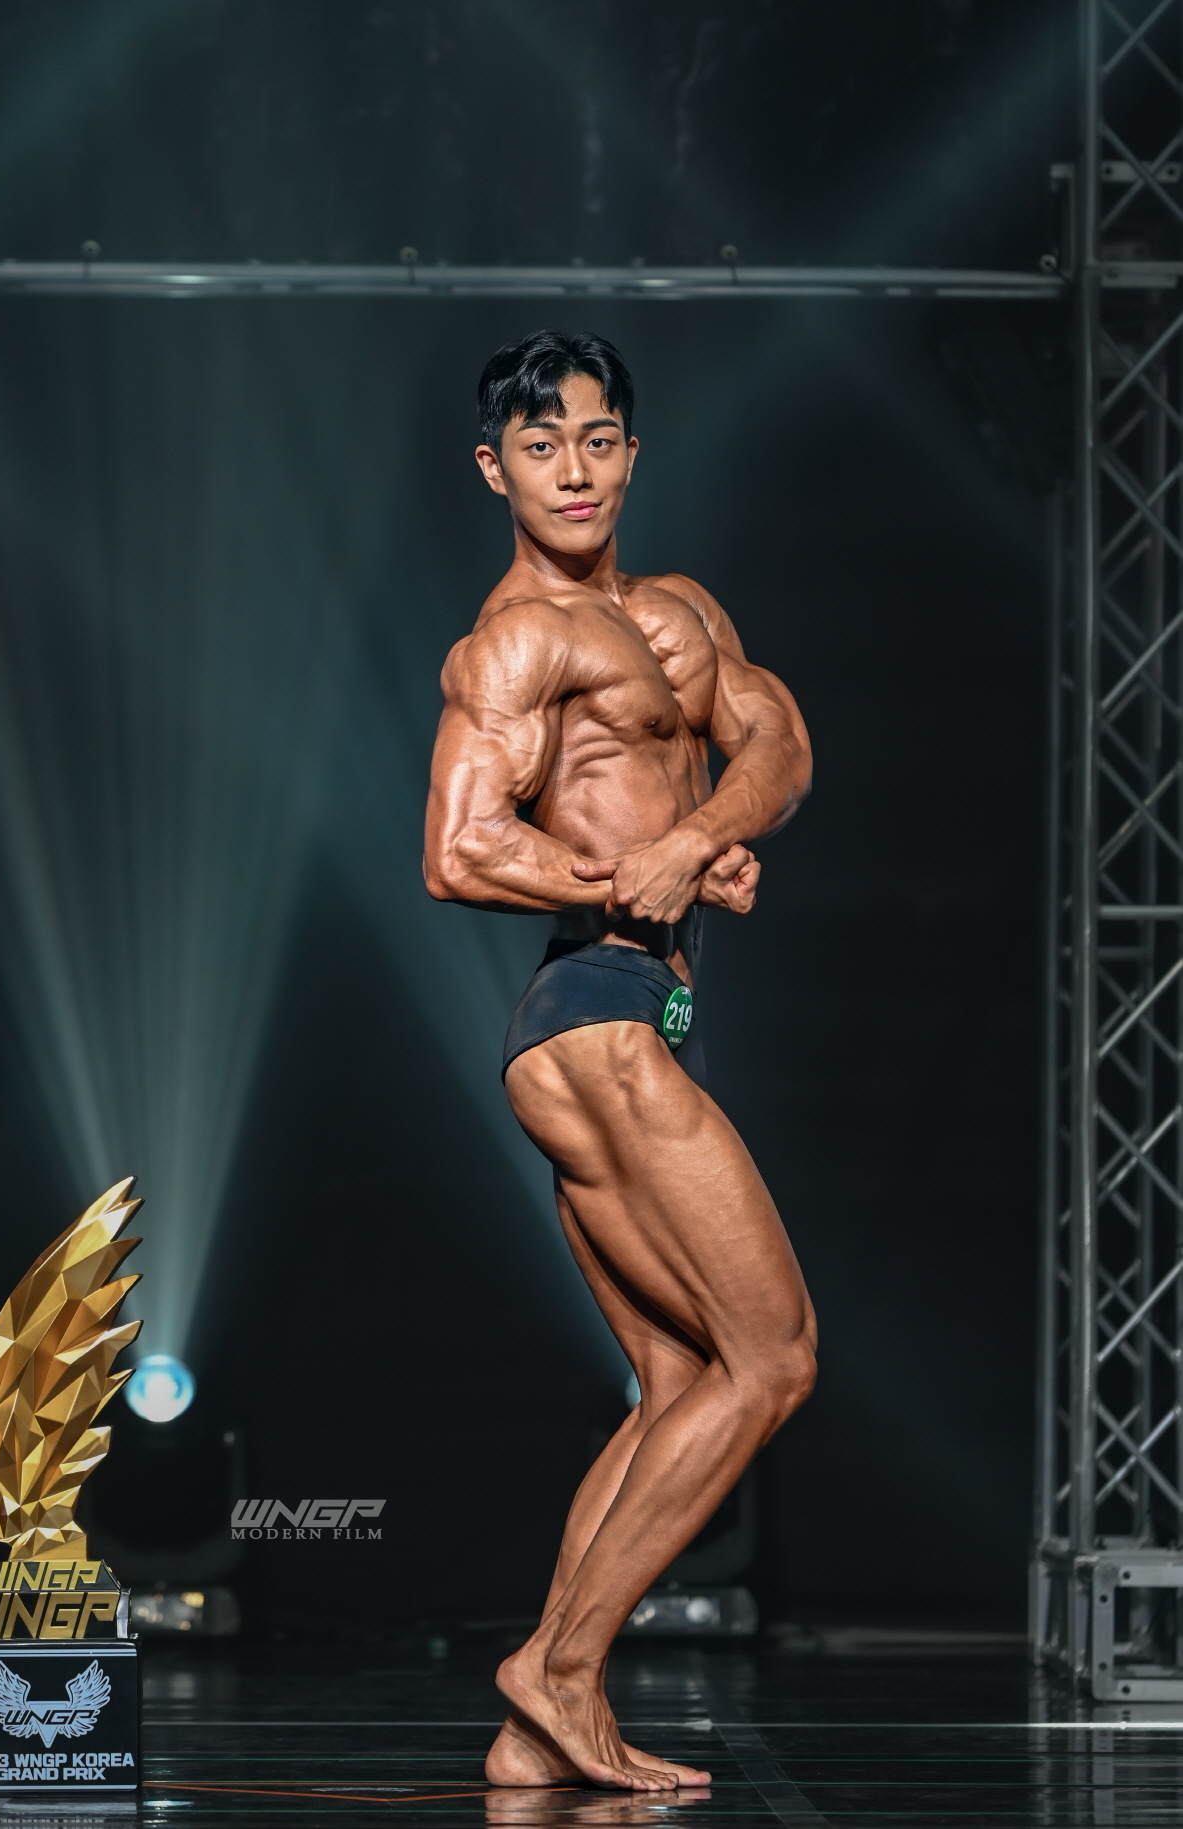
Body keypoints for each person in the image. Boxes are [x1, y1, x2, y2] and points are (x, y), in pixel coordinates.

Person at [423, 330, 817, 1794]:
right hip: (592, 1018)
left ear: (632, 454)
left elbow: (778, 744)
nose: (573, 471)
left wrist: (696, 841)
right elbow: (460, 847)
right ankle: (563, 1666)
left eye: (597, 441)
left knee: (676, 1380)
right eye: (541, 447)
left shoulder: (681, 612)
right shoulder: (517, 640)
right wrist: (627, 874)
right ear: (496, 470)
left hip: (620, 1017)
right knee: (774, 1358)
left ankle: (533, 1733)